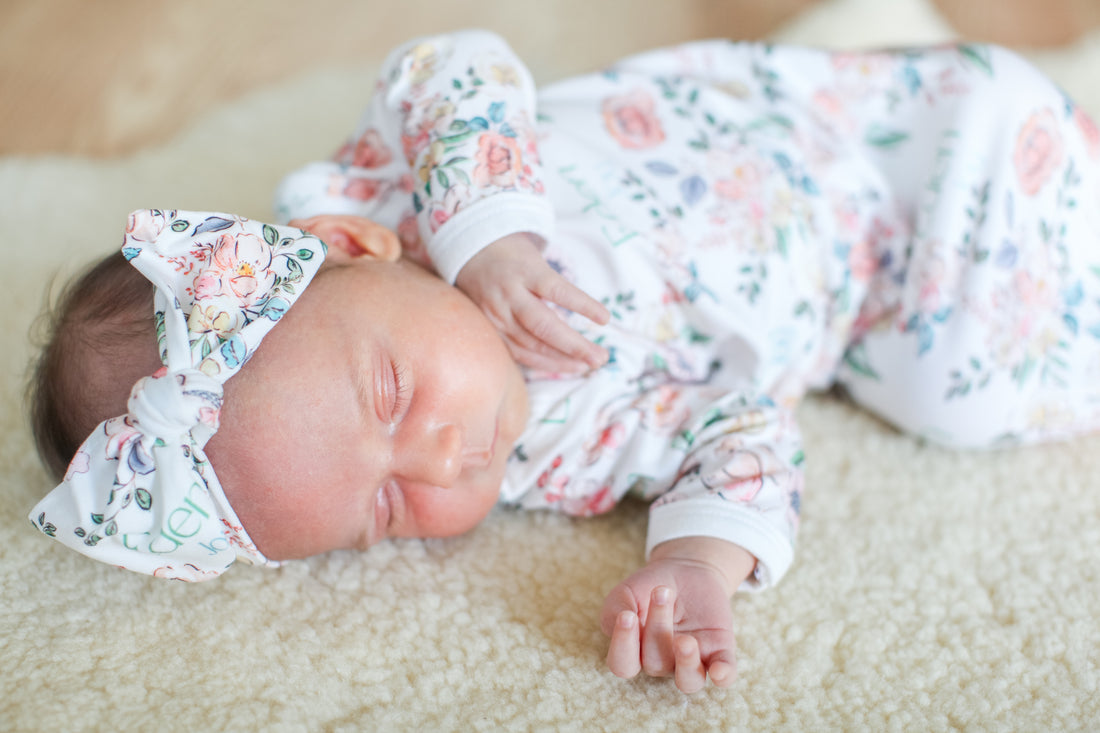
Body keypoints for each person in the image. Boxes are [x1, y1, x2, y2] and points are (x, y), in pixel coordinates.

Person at [28, 30, 1100, 694]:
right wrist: (696, 561)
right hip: (901, 286)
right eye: (385, 509)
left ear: (355, 249)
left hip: (852, 125)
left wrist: (485, 232)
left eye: (392, 395)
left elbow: (456, 61)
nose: (440, 460)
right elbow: (738, 424)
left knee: (980, 113)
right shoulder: (560, 451)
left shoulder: (394, 192)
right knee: (961, 399)